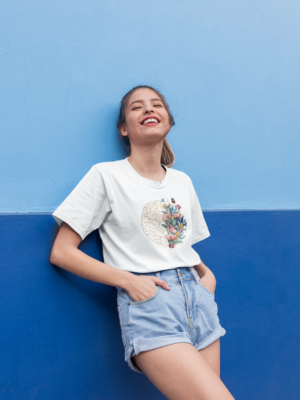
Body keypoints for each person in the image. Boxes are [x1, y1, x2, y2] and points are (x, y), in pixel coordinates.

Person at [50, 85, 235, 400]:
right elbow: (61, 252)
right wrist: (129, 281)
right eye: (137, 107)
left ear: (168, 120)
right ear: (124, 128)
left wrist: (206, 276)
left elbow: (181, 245)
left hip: (198, 298)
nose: (149, 109)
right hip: (152, 304)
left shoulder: (182, 181)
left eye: (156, 104)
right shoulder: (106, 176)